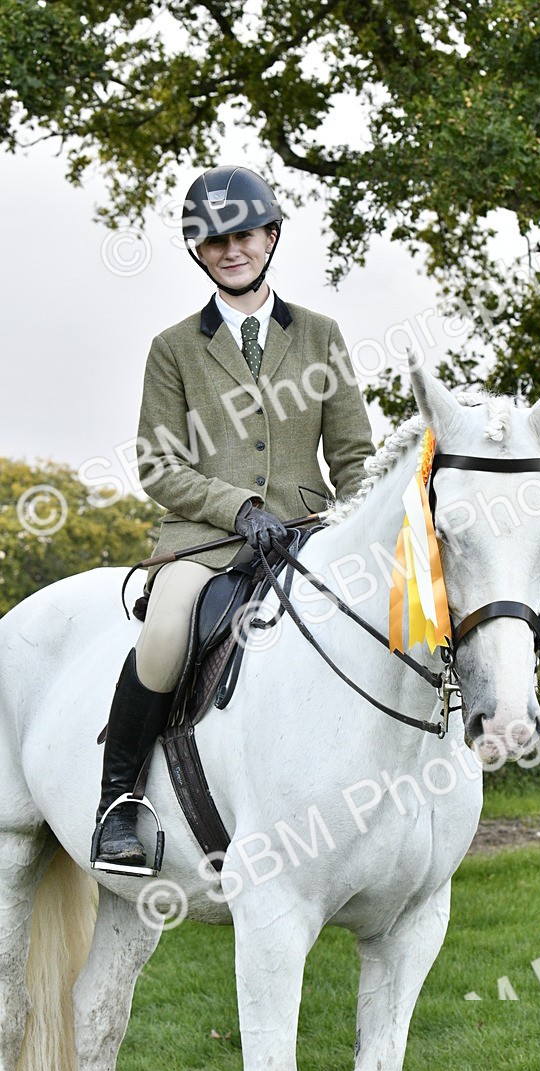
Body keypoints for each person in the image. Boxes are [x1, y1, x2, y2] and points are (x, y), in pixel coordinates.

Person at [93, 164, 375, 869]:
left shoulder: (321, 335)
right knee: (163, 633)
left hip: (306, 536)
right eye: (213, 241)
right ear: (198, 252)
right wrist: (237, 507)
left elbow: (354, 458)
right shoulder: (174, 348)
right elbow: (159, 466)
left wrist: (361, 532)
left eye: (243, 235)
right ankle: (119, 804)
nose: (231, 250)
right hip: (207, 542)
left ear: (271, 235)